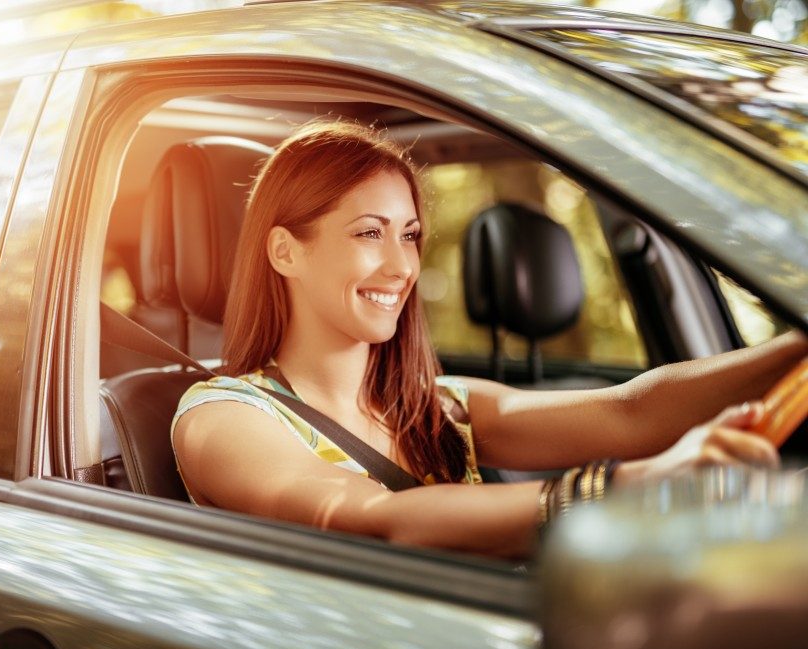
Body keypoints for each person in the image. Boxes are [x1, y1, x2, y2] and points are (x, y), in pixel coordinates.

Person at [171, 121, 808, 559]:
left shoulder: (440, 406)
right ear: (285, 250)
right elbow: (367, 519)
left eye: (411, 235)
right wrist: (624, 489)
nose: (402, 267)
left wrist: (795, 349)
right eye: (370, 233)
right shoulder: (221, 417)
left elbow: (631, 411)